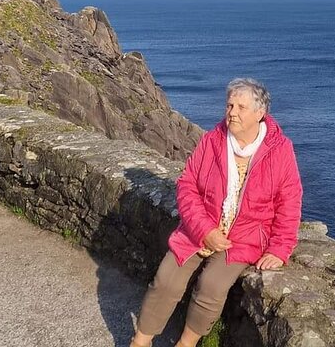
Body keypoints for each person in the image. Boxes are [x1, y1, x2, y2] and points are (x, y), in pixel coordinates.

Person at [130, 78, 303, 347]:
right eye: (230, 105)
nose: (232, 112)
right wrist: (204, 230)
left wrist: (280, 249)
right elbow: (187, 185)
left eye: (241, 107)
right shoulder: (212, 141)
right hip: (200, 229)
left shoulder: (279, 150)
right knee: (166, 280)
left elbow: (289, 201)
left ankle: (186, 343)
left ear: (260, 113)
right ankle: (140, 341)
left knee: (211, 286)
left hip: (244, 239)